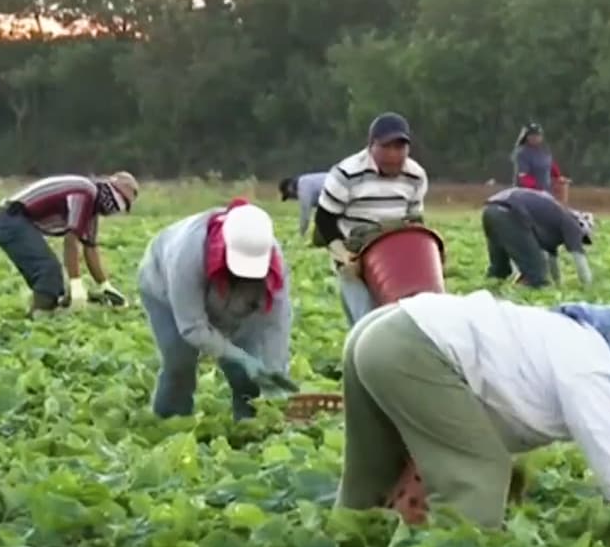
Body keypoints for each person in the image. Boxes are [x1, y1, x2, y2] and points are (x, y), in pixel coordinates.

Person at [334, 289, 610, 535]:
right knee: (479, 473)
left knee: (373, 465)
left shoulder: (557, 336)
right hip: (412, 346)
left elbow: (484, 412)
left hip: (382, 330)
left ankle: (346, 540)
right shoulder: (594, 368)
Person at [136, 199, 297, 421]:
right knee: (179, 361)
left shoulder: (272, 261)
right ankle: (170, 420)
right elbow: (192, 327)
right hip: (163, 290)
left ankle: (250, 424)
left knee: (248, 372)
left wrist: (275, 370)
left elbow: (275, 324)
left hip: (236, 299)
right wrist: (240, 357)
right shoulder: (188, 254)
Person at [315, 112, 429, 325]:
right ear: (371, 145)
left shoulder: (416, 176)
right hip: (355, 256)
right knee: (367, 322)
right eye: (386, 147)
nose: (393, 154)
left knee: (402, 319)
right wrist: (342, 254)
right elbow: (324, 220)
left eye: (399, 147)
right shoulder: (347, 173)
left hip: (395, 255)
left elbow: (414, 220)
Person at [0, 170, 139, 316]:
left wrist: (105, 285)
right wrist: (76, 283)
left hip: (16, 219)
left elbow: (90, 247)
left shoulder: (92, 207)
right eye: (121, 201)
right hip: (11, 218)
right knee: (48, 270)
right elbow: (71, 240)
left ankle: (47, 310)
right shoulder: (86, 192)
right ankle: (39, 317)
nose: (117, 208)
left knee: (54, 282)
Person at [481, 187, 595, 288]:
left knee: (499, 270)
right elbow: (579, 258)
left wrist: (557, 285)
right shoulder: (572, 224)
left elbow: (552, 259)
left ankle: (489, 289)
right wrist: (588, 285)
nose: (580, 240)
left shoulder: (555, 222)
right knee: (536, 276)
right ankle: (523, 294)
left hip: (490, 210)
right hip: (511, 212)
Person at [278, 169, 329, 241]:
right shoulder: (305, 181)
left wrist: (301, 235)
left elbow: (305, 216)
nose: (293, 198)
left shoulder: (303, 187)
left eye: (289, 196)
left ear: (289, 189)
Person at [511, 122, 559, 193]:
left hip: (545, 192)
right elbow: (523, 176)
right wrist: (538, 187)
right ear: (526, 137)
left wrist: (558, 177)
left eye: (537, 135)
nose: (535, 137)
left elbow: (550, 165)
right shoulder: (522, 153)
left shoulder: (545, 151)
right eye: (532, 135)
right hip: (526, 193)